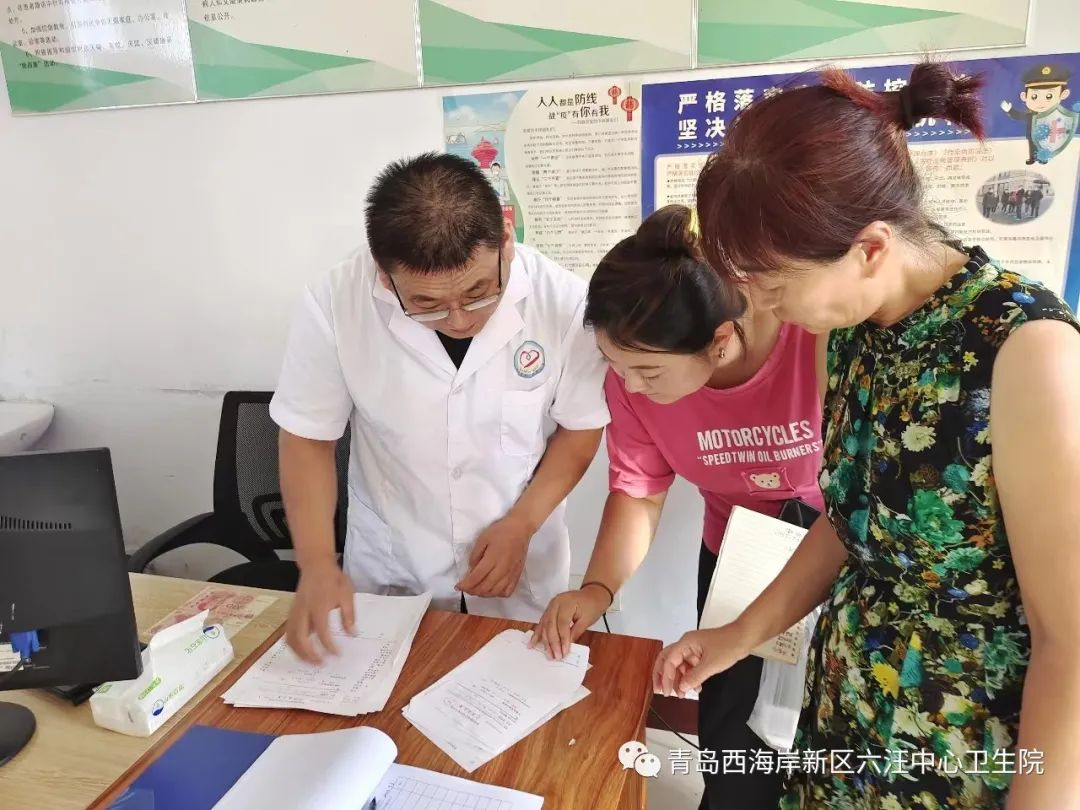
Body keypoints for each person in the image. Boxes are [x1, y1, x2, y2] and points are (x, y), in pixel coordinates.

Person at [658, 62, 1080, 809]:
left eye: (773, 284)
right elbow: (852, 520)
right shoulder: (854, 328)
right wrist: (741, 633)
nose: (759, 307)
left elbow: (1070, 644)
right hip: (847, 724)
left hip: (962, 753)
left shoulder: (1027, 352)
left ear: (871, 247)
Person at [531, 205, 826, 809]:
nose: (630, 387)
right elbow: (639, 492)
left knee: (829, 742)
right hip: (738, 563)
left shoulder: (811, 338)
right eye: (616, 365)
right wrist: (597, 590)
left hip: (840, 559)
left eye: (647, 370)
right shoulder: (632, 387)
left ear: (719, 342)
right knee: (739, 753)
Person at [271, 153, 609, 663]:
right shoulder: (334, 302)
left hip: (520, 561)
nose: (458, 319)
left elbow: (580, 431)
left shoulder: (564, 302)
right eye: (426, 304)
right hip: (395, 561)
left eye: (479, 292)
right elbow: (307, 437)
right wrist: (317, 562)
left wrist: (522, 525)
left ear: (507, 237)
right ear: (383, 275)